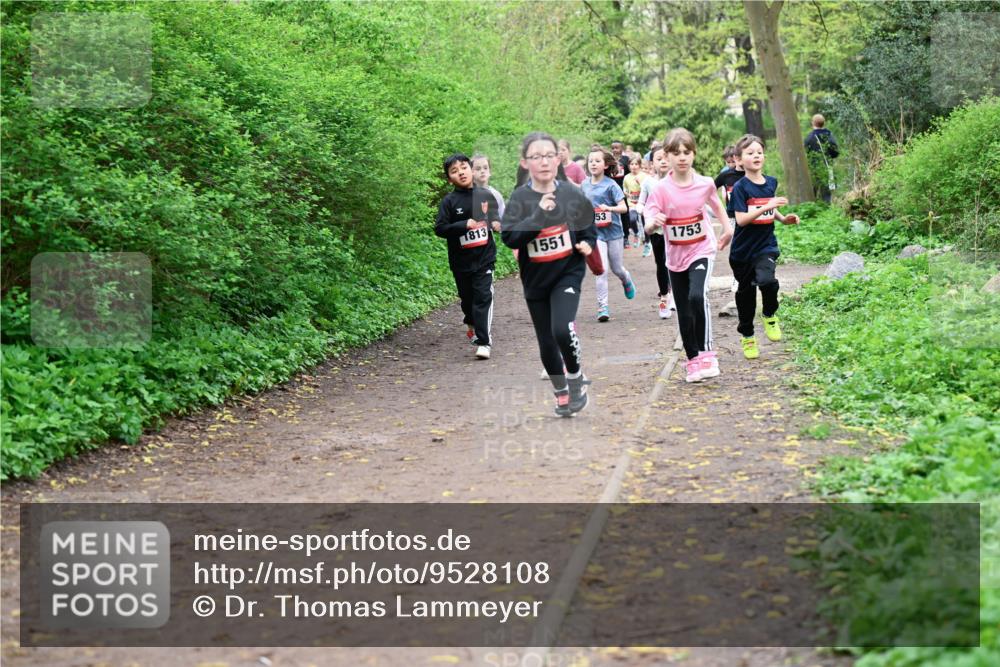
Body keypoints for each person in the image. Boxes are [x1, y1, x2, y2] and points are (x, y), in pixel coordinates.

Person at [501, 132, 597, 416]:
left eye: (548, 155)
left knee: (561, 329)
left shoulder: (571, 193)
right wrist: (539, 217)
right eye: (536, 157)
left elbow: (588, 225)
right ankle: (561, 392)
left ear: (558, 159)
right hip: (535, 279)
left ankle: (576, 377)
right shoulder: (519, 198)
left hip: (567, 272)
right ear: (525, 162)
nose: (543, 161)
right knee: (546, 340)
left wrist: (587, 242)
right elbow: (510, 238)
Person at [643, 128, 733, 383]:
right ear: (667, 157)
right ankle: (693, 360)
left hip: (702, 249)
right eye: (676, 153)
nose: (682, 157)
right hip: (675, 256)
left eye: (687, 152)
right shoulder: (661, 189)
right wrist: (653, 223)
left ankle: (707, 353)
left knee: (697, 295)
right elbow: (648, 218)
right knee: (683, 309)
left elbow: (717, 206)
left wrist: (727, 230)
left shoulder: (704, 183)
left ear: (693, 154)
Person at [729, 134, 800, 360]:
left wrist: (782, 218)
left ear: (764, 157)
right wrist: (768, 206)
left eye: (759, 152)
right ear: (739, 160)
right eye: (750, 153)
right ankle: (748, 336)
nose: (756, 156)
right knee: (746, 295)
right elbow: (741, 220)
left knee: (768, 281)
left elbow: (768, 209)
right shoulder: (740, 188)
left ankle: (770, 314)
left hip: (765, 246)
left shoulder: (771, 182)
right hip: (742, 252)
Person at [435, 153, 502, 360]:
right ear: (449, 179)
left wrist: (498, 225)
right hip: (461, 262)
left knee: (483, 297)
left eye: (463, 167)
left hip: (484, 258)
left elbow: (494, 219)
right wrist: (464, 225)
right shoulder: (449, 202)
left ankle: (484, 342)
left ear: (471, 169)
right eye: (454, 171)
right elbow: (440, 228)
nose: (461, 172)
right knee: (468, 301)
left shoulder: (486, 195)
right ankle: (471, 322)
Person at [582, 146, 636, 322]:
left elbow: (623, 207)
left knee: (616, 268)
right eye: (591, 161)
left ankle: (625, 279)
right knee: (601, 270)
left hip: (613, 232)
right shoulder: (584, 185)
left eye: (597, 161)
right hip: (596, 234)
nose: (593, 164)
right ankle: (602, 307)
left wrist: (609, 208)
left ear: (605, 165)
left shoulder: (611, 185)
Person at [636, 145, 674, 319]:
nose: (663, 161)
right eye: (659, 158)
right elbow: (641, 203)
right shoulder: (648, 182)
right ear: (652, 164)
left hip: (675, 231)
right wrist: (645, 213)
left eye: (666, 157)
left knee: (675, 263)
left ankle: (675, 295)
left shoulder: (677, 181)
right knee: (661, 263)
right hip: (656, 230)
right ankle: (664, 297)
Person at [714, 144, 744, 293]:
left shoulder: (752, 175)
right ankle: (737, 279)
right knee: (736, 251)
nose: (734, 162)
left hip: (750, 218)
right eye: (731, 160)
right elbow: (710, 188)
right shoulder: (726, 175)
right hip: (732, 217)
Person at [804, 114, 839, 204]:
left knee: (813, 190)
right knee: (827, 191)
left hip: (814, 167)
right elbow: (835, 151)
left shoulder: (809, 137)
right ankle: (827, 209)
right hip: (828, 166)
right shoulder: (829, 134)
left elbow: (805, 152)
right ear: (824, 123)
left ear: (813, 123)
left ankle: (813, 207)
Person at [622, 154, 648, 252]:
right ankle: (636, 233)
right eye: (631, 164)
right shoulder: (626, 177)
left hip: (642, 203)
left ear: (639, 165)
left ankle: (646, 240)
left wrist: (640, 184)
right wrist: (625, 193)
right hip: (632, 203)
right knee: (632, 220)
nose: (634, 166)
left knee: (644, 222)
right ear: (629, 166)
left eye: (636, 164)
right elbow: (624, 188)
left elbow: (647, 188)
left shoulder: (643, 176)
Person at [471, 153, 505, 218]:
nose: (482, 171)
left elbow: (503, 218)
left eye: (485, 168)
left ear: (490, 172)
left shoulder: (496, 195)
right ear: (471, 172)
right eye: (478, 169)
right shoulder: (467, 194)